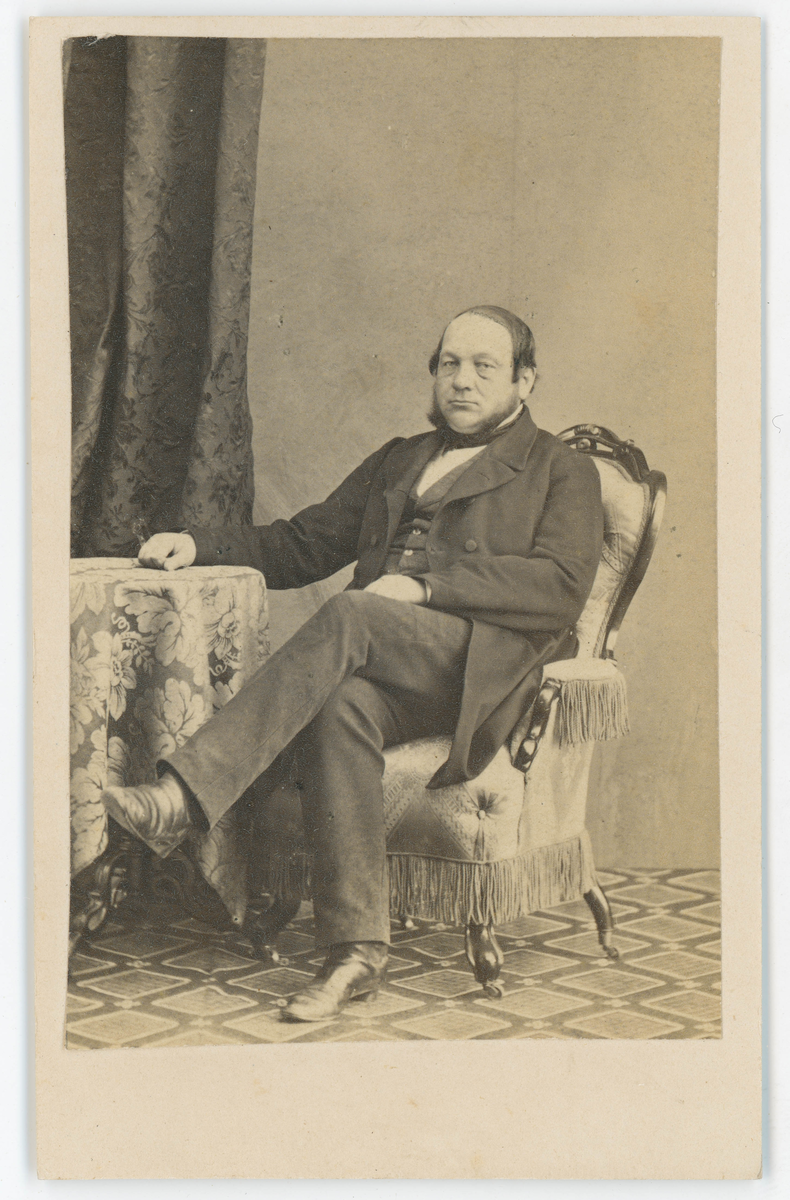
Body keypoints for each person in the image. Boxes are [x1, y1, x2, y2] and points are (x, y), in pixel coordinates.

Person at [102, 305, 604, 1021]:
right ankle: (357, 953)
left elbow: (560, 587)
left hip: (479, 668)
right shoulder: (403, 458)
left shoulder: (560, 469)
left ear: (525, 381)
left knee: (350, 611)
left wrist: (426, 588)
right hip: (390, 663)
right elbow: (304, 543)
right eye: (449, 364)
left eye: (484, 367)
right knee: (341, 707)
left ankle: (184, 794)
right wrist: (199, 543)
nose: (462, 380)